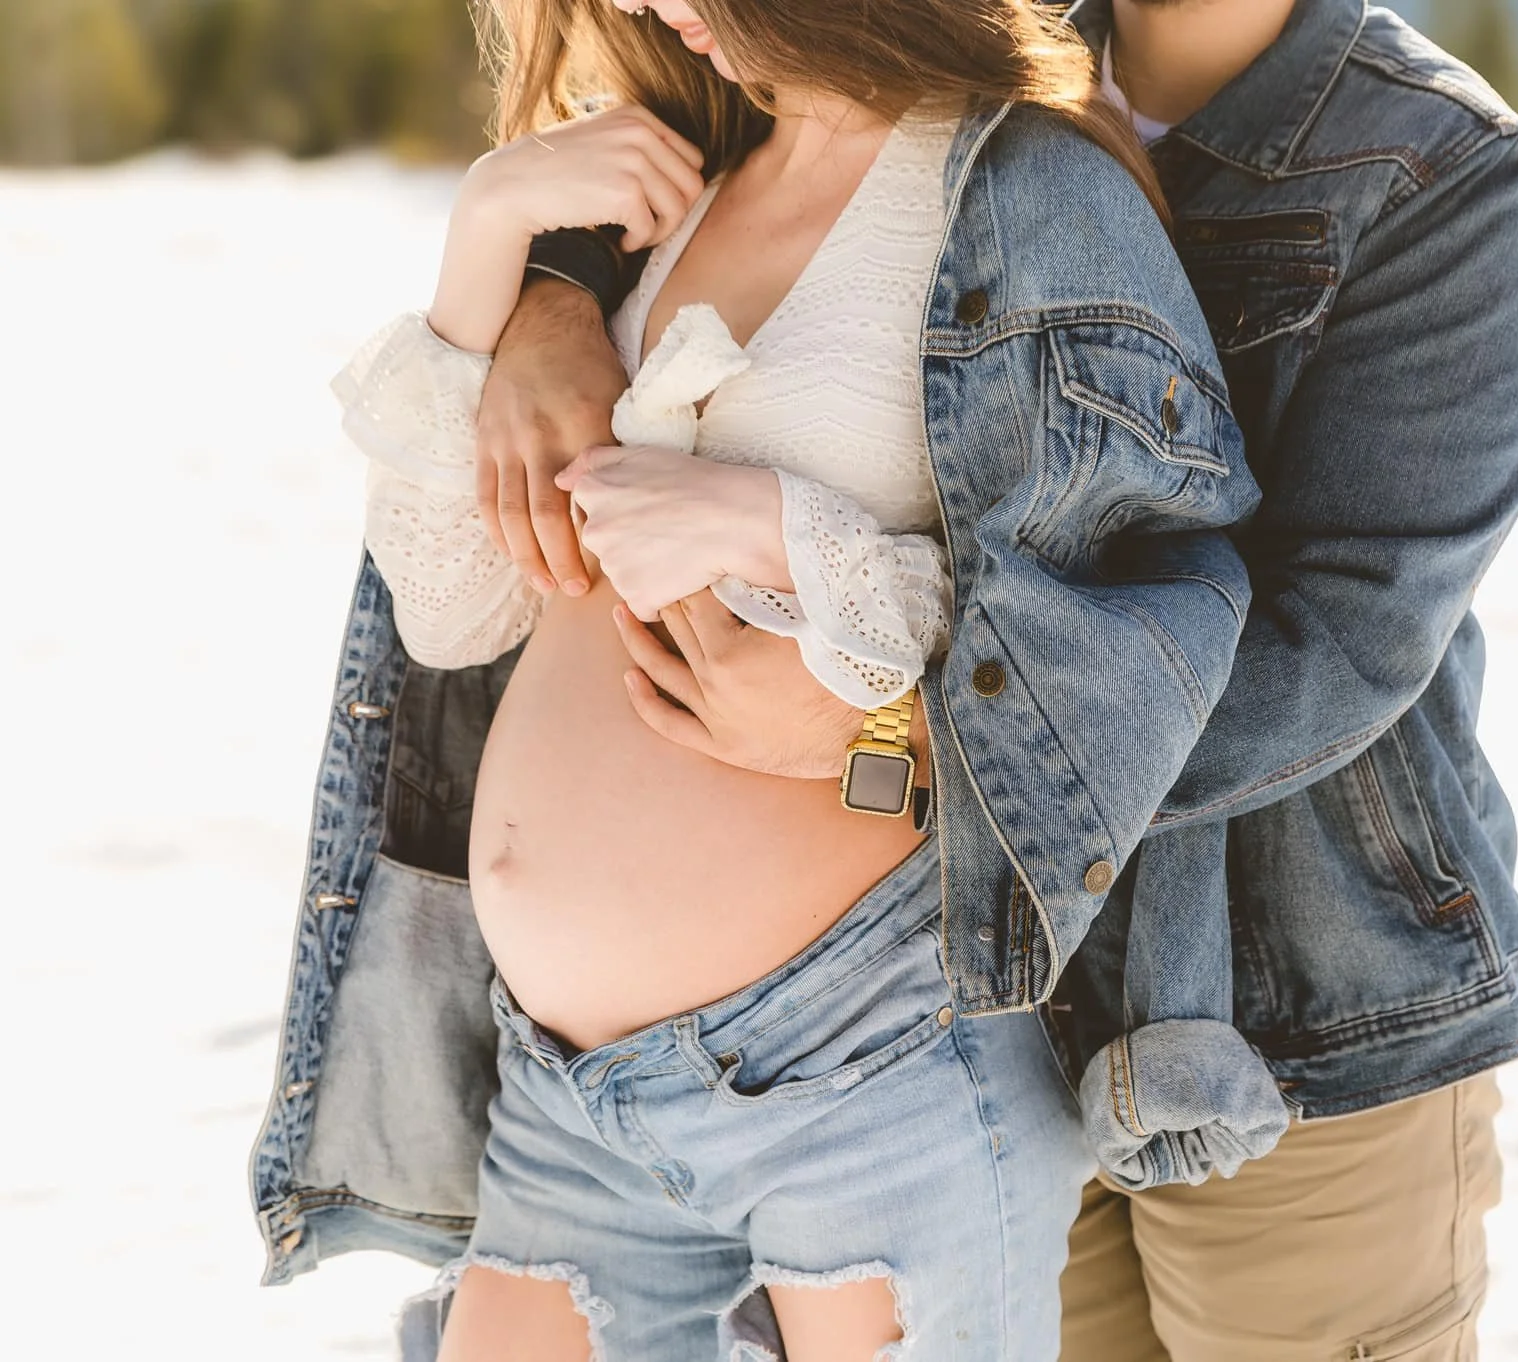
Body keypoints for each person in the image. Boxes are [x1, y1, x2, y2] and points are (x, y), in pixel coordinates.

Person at [484, 0, 1518, 1357]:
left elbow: (1337, 646)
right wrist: (554, 298)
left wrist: (905, 728)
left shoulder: (1440, 168)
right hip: (994, 998)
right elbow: (711, 122)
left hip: (1288, 1005)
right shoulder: (983, 53)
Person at [248, 0, 1265, 1358]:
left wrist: (781, 533)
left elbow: (1139, 629)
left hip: (867, 1060)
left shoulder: (1032, 189)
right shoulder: (661, 193)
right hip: (572, 1090)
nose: (650, 9)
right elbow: (449, 614)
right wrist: (490, 239)